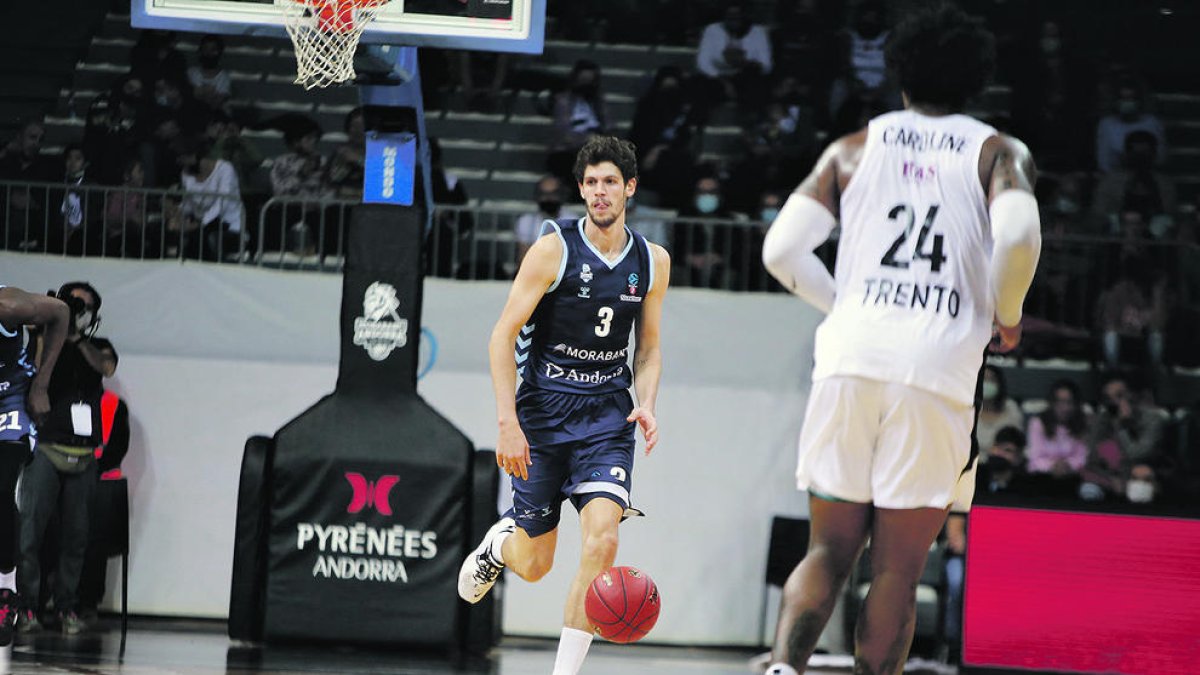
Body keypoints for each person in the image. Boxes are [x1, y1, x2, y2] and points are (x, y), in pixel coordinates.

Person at [760, 6, 1041, 673]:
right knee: (896, 566)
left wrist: (846, 304)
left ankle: (780, 668)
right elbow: (1021, 235)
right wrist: (1007, 310)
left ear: (900, 72)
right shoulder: (997, 151)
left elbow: (781, 250)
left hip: (851, 354)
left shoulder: (851, 148)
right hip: (936, 363)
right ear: (978, 80)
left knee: (826, 549)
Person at [457, 136, 670, 675]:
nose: (600, 192)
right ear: (581, 189)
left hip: (607, 418)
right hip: (544, 418)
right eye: (591, 183)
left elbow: (647, 349)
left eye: (610, 182)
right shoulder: (553, 249)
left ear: (630, 188)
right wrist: (507, 423)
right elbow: (500, 337)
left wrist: (647, 402)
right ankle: (499, 547)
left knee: (603, 539)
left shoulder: (652, 261)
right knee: (535, 566)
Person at [18, 282, 117, 635]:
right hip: (46, 446)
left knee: (76, 536)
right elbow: (32, 369)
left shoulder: (96, 346)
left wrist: (74, 334)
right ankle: (26, 607)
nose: (77, 309)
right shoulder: (45, 337)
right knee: (30, 531)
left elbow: (105, 367)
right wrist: (52, 327)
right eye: (72, 303)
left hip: (84, 454)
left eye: (84, 305)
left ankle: (66, 607)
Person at [0, 285, 70, 644]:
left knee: (0, 488)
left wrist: (41, 385)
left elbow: (60, 312)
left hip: (9, 400)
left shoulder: (8, 305)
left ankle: (6, 589)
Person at [1025, 379, 1089, 481]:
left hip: (1072, 478)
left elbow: (1082, 458)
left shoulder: (1081, 424)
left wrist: (1067, 465)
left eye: (1070, 402)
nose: (1065, 408)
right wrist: (1052, 466)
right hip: (1041, 477)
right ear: (1052, 403)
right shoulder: (1037, 424)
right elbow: (1034, 458)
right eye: (1061, 402)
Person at [514, 175, 575, 265]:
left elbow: (574, 255)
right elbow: (524, 257)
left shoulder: (573, 221)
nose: (549, 199)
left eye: (553, 194)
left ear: (561, 195)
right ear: (537, 196)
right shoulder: (526, 222)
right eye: (544, 194)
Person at [975, 364, 1025, 458]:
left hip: (1003, 464)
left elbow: (1016, 443)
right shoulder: (967, 410)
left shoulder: (1011, 408)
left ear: (999, 384)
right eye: (984, 379)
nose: (987, 384)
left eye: (991, 380)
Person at [187, 34, 233, 112]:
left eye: (213, 50)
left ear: (219, 52)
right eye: (205, 49)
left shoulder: (224, 77)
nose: (209, 53)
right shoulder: (191, 73)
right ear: (200, 51)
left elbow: (217, 103)